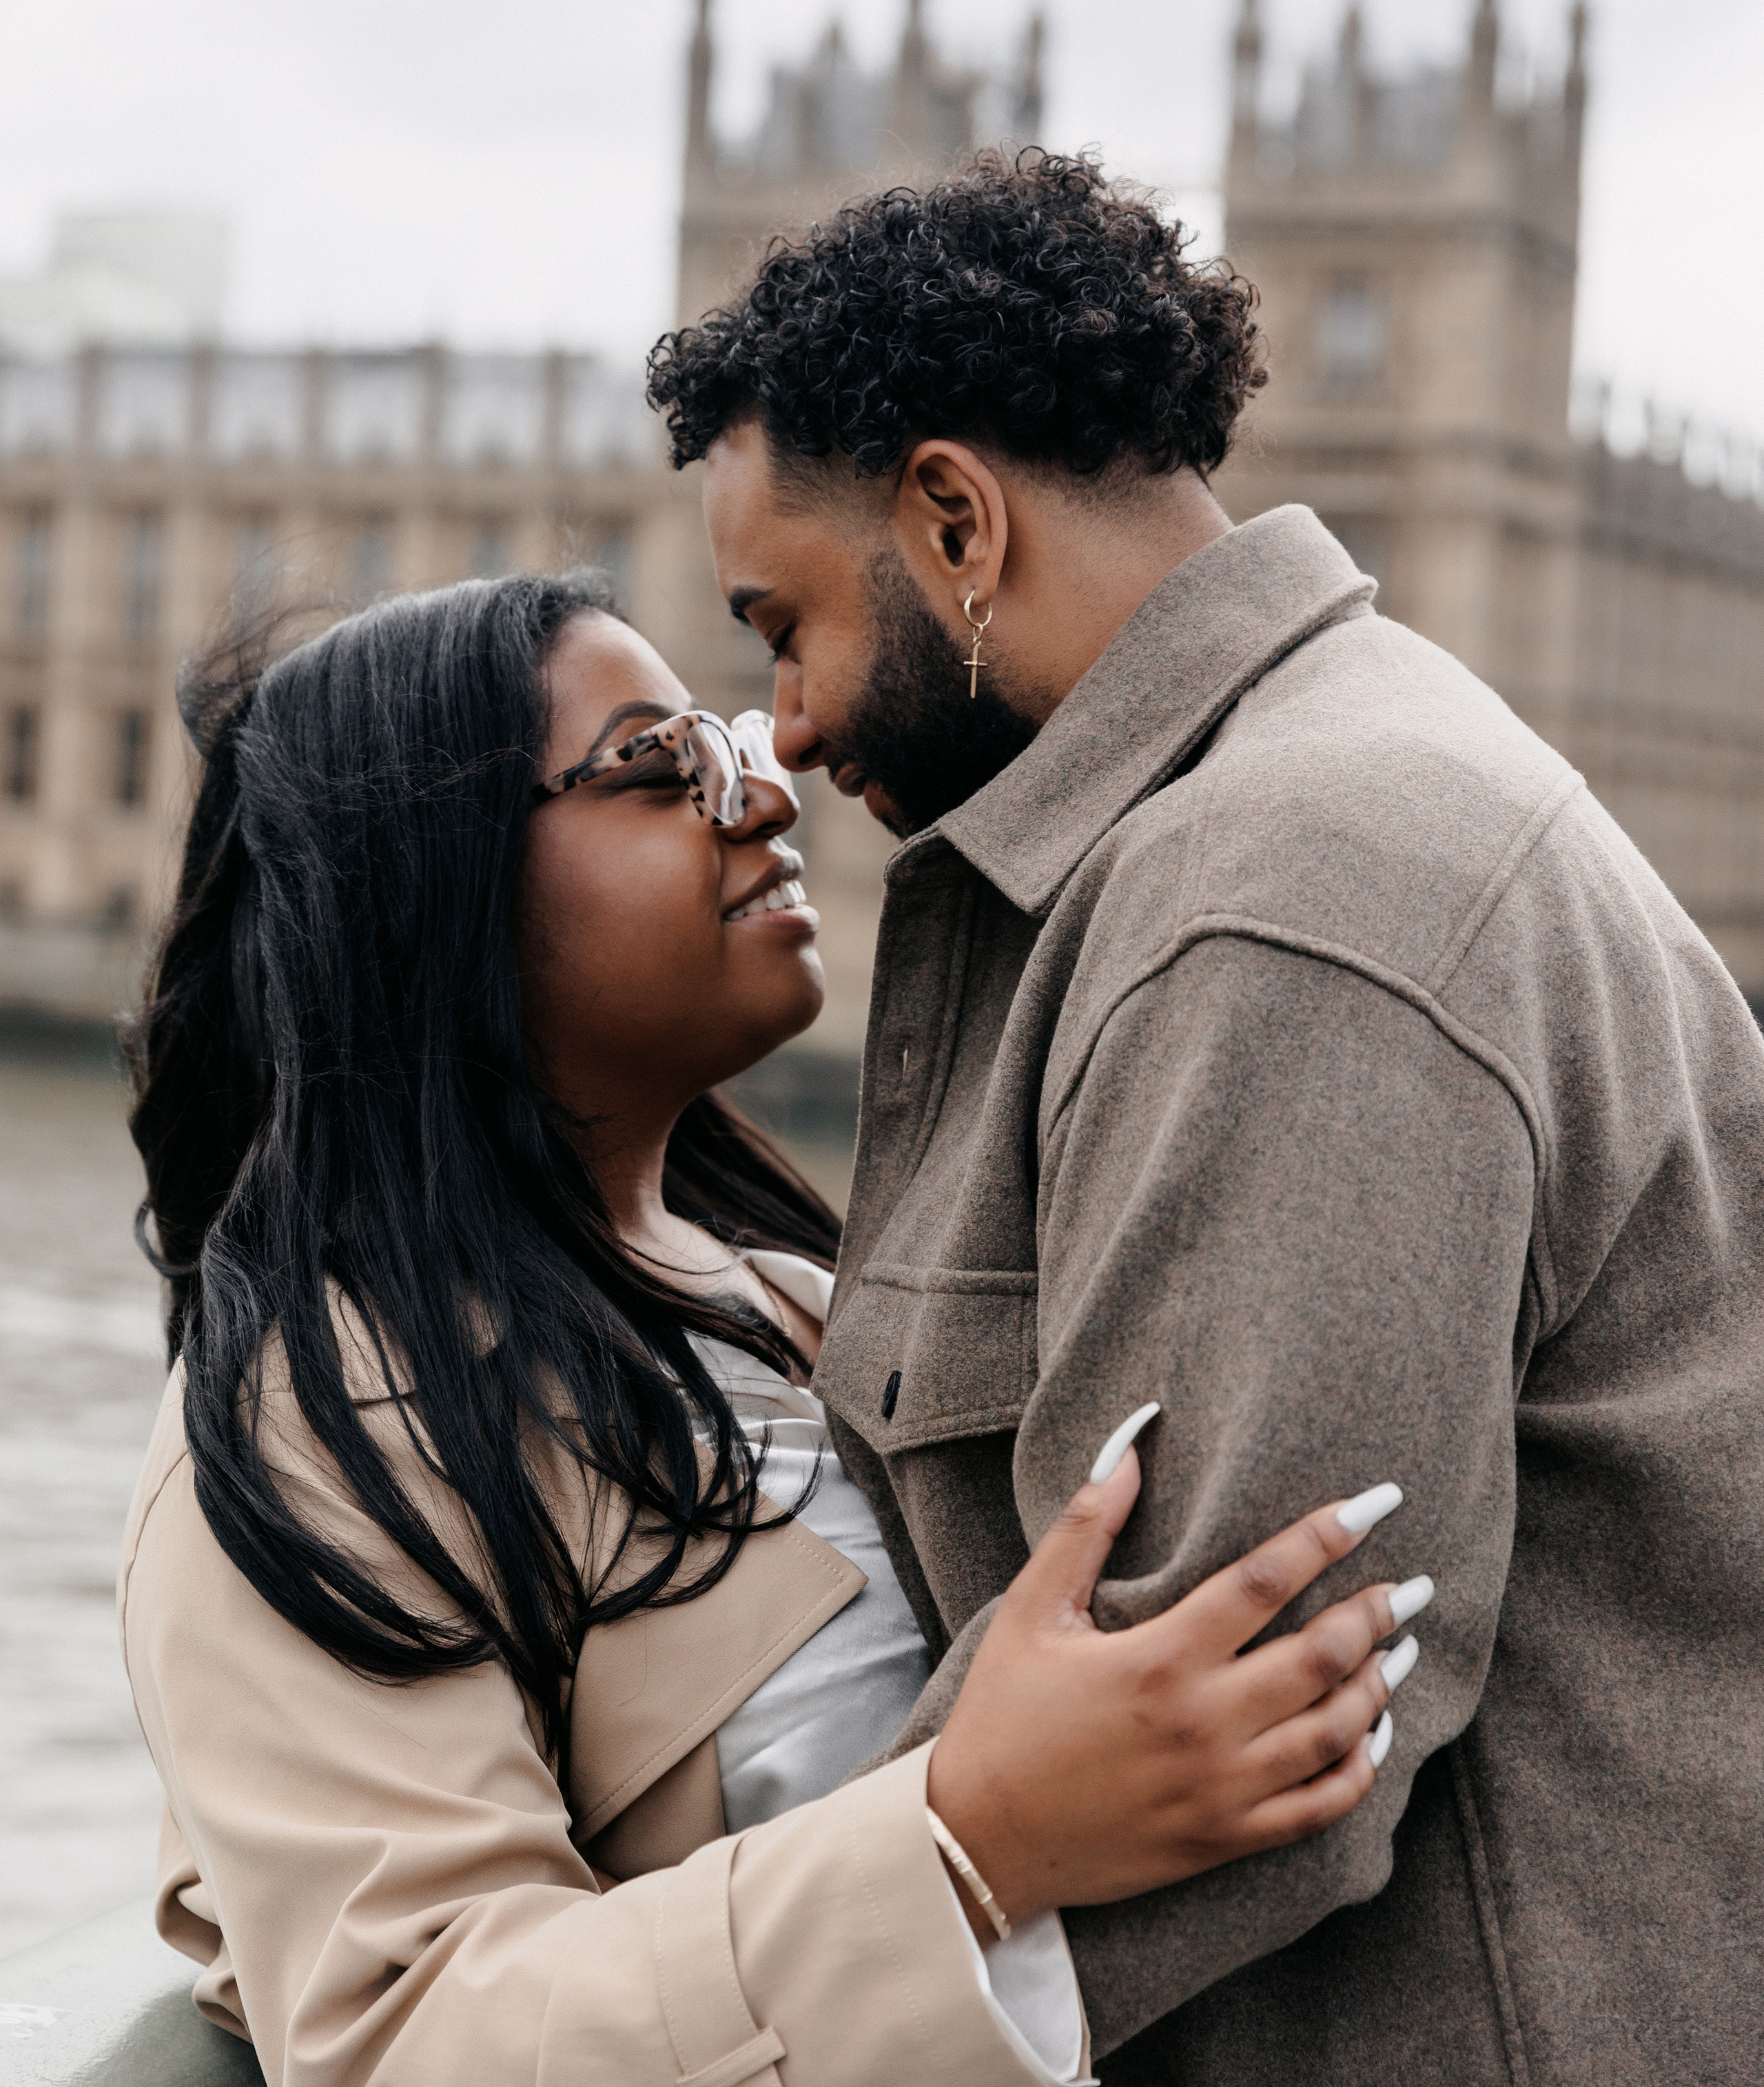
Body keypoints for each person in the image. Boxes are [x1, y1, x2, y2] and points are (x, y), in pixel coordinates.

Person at [648, 147, 1764, 2087]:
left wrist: (666, 2021)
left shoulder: (1282, 897)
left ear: (953, 522)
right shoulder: (1272, 803)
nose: (792, 728)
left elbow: (1221, 1744)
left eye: (782, 624)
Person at [119, 568, 1426, 2087]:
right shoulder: (315, 1423)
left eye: (727, 741)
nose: (762, 792)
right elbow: (407, 2029)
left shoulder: (804, 1298)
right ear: (430, 881)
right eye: (659, 770)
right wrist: (970, 1842)